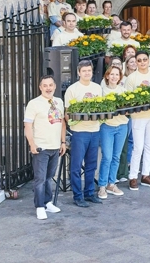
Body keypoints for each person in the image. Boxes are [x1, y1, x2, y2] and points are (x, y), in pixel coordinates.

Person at [24, 75, 66, 220]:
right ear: (40, 88)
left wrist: (62, 142)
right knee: (40, 179)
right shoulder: (33, 104)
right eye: (45, 85)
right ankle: (39, 206)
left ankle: (47, 202)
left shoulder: (59, 102)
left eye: (50, 85)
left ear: (54, 86)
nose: (48, 88)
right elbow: (27, 126)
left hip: (55, 147)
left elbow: (62, 123)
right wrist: (32, 143)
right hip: (41, 147)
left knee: (49, 178)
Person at [64, 60, 103, 207]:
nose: (87, 73)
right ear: (79, 72)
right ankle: (77, 196)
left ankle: (89, 193)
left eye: (89, 70)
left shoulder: (97, 88)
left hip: (95, 130)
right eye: (84, 71)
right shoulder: (72, 90)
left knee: (91, 165)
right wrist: (72, 124)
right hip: (79, 132)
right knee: (76, 165)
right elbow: (67, 112)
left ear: (92, 72)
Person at [125, 50, 150, 190]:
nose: (142, 62)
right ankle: (133, 176)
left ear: (149, 60)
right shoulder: (132, 77)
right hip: (138, 117)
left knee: (149, 146)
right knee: (138, 147)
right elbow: (127, 97)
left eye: (144, 59)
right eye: (139, 60)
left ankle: (145, 175)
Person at [97, 66, 127, 199]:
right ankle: (102, 186)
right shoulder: (101, 91)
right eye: (112, 74)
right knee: (107, 157)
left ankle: (111, 183)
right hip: (107, 126)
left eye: (117, 74)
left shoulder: (124, 91)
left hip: (122, 125)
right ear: (107, 76)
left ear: (120, 77)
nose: (114, 77)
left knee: (116, 156)